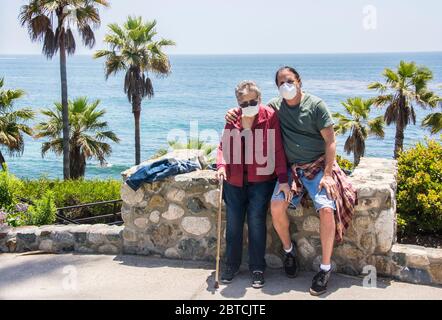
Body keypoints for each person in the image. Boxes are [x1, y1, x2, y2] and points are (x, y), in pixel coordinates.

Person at [225, 67, 357, 296]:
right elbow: (251, 109)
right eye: (281, 82)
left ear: (298, 81)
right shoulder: (276, 107)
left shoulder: (316, 106)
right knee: (276, 206)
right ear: (277, 87)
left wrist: (327, 174)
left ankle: (324, 269)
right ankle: (288, 252)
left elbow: (331, 142)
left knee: (326, 209)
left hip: (317, 167)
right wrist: (233, 112)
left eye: (289, 80)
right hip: (292, 171)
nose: (286, 85)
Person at [216, 80, 291, 289]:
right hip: (234, 181)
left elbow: (277, 149)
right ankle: (231, 265)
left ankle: (257, 267)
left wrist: (283, 180)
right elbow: (223, 145)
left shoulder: (270, 116)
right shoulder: (233, 117)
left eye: (253, 101)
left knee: (257, 224)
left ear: (260, 99)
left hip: (260, 182)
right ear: (238, 103)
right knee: (233, 226)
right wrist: (221, 166)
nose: (249, 105)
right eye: (244, 102)